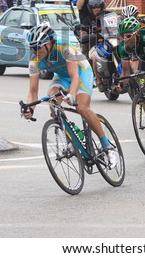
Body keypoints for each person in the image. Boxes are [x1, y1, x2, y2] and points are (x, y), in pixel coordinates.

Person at [21, 22, 118, 167]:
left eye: (37, 47)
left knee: (82, 107)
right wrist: (30, 108)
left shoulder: (65, 48)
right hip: (62, 77)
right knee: (53, 102)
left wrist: (72, 94)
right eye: (31, 48)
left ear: (50, 43)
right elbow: (33, 92)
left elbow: (75, 77)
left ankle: (107, 146)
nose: (34, 51)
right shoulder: (34, 62)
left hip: (81, 72)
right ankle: (73, 135)